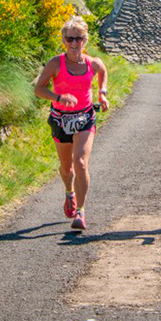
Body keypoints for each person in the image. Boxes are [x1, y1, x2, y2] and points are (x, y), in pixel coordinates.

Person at [35, 16, 108, 231]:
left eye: (79, 39)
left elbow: (103, 72)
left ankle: (81, 211)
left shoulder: (92, 63)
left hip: (85, 117)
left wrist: (102, 93)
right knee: (67, 170)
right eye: (70, 39)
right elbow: (39, 89)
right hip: (60, 120)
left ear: (86, 40)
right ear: (64, 40)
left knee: (81, 163)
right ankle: (69, 192)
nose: (75, 43)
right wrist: (58, 98)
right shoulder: (55, 63)